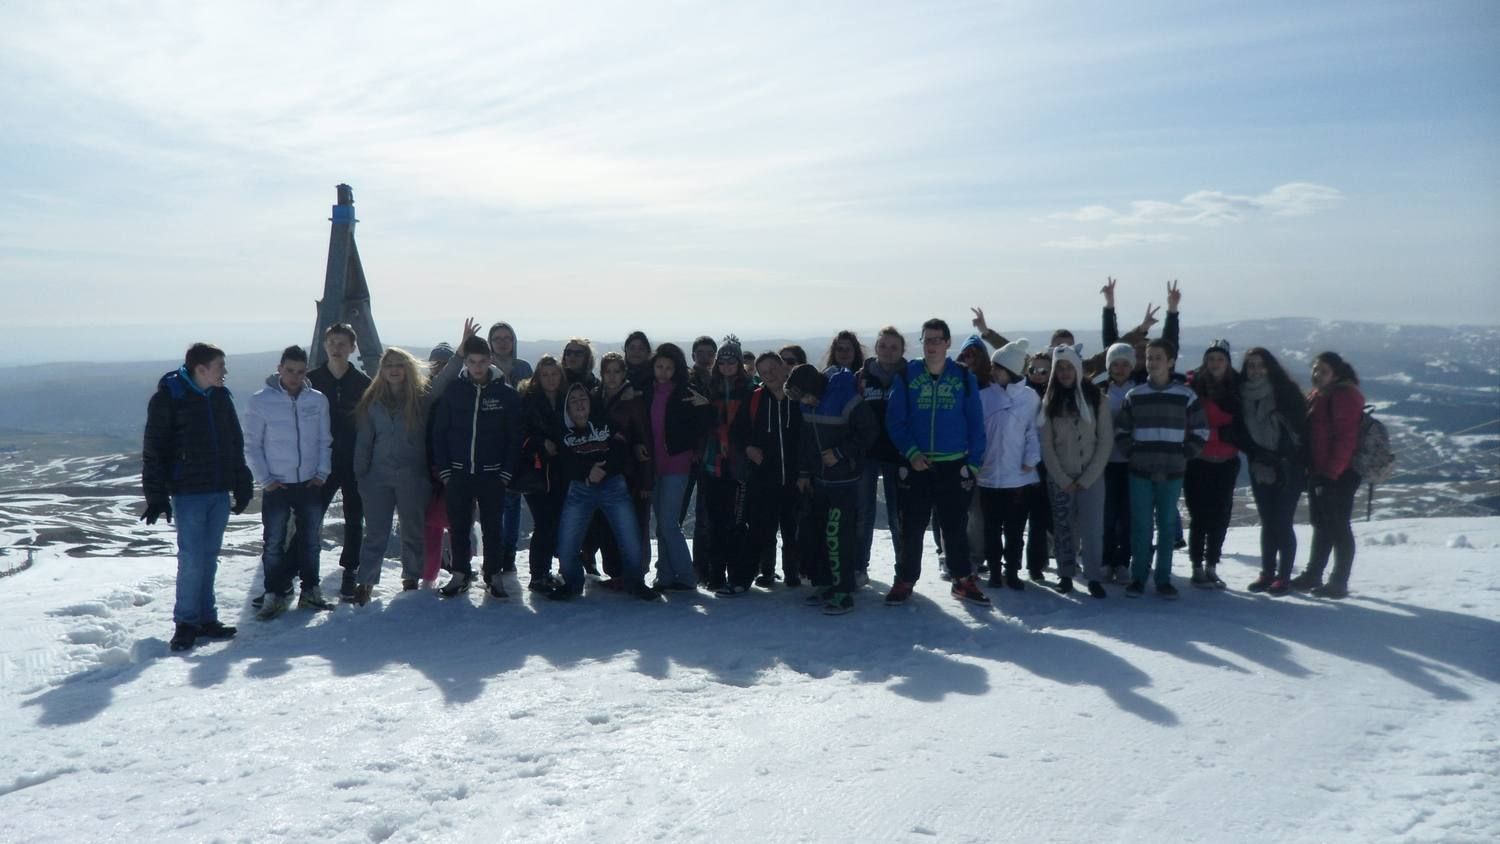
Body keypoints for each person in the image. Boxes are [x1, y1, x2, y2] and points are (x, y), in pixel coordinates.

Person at [141, 342, 253, 652]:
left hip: (218, 490)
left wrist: (241, 480)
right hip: (189, 493)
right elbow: (154, 450)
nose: (225, 372)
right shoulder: (169, 398)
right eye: (220, 367)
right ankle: (185, 623)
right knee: (191, 560)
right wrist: (156, 495)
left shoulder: (220, 397)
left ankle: (206, 619)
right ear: (200, 369)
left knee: (208, 558)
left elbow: (234, 441)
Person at [885, 318, 990, 606]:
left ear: (947, 343)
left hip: (953, 464)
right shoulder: (907, 375)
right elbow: (896, 421)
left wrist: (974, 464)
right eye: (926, 339)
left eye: (936, 340)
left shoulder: (963, 378)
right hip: (916, 464)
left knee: (955, 526)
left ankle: (962, 579)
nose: (931, 345)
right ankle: (905, 580)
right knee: (912, 527)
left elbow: (976, 424)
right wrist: (911, 453)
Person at [352, 335, 464, 604]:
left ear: (408, 369)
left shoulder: (421, 398)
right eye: (388, 364)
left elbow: (444, 379)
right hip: (377, 477)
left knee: (412, 530)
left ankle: (410, 578)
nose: (393, 369)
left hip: (413, 477)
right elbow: (365, 441)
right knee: (376, 533)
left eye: (399, 364)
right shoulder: (372, 402)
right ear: (382, 370)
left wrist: (460, 351)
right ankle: (365, 581)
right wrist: (361, 475)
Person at [545, 384, 661, 601]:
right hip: (580, 489)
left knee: (631, 541)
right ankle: (572, 583)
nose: (579, 403)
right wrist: (588, 472)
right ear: (567, 407)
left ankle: (635, 582)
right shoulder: (561, 429)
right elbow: (563, 462)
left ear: (591, 403)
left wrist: (603, 470)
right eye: (574, 400)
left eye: (583, 399)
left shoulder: (607, 423)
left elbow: (621, 451)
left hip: (613, 486)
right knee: (566, 544)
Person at [433, 334, 525, 599]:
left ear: (490, 361)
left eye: (482, 361)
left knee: (493, 527)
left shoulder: (504, 393)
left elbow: (514, 436)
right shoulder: (454, 390)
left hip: (492, 474)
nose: (477, 367)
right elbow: (440, 432)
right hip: (459, 472)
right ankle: (459, 574)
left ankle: (493, 575)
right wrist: (446, 470)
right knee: (459, 526)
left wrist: (506, 472)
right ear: (467, 362)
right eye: (472, 361)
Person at [1114, 338, 1207, 599]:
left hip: (1172, 471)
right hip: (1140, 471)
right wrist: (1132, 453)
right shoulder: (1136, 395)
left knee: (1167, 526)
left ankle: (1163, 579)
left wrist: (1184, 454)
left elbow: (1201, 429)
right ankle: (1139, 577)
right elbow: (1122, 430)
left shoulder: (1185, 396)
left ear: (1171, 362)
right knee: (1140, 526)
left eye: (1158, 357)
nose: (1152, 362)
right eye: (1149, 357)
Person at [246, 345, 334, 619]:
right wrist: (266, 479)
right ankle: (275, 593)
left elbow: (324, 439)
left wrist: (322, 472)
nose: (294, 377)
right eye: (289, 370)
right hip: (278, 484)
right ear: (279, 368)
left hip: (309, 482)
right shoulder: (261, 401)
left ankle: (311, 591)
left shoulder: (317, 400)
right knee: (273, 541)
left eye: (300, 371)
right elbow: (252, 445)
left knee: (310, 540)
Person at [781, 364, 877, 614]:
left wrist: (840, 453)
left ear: (814, 387)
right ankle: (824, 583)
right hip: (817, 480)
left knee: (838, 535)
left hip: (844, 480)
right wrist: (803, 472)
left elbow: (869, 432)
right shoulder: (807, 402)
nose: (803, 401)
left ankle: (843, 591)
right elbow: (805, 440)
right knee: (817, 534)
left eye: (804, 395)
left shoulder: (846, 398)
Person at [1037, 345, 1114, 599]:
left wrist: (1088, 478)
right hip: (1061, 478)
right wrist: (1061, 478)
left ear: (1078, 368)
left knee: (1092, 529)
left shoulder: (1096, 398)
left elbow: (1105, 441)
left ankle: (1093, 576)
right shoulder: (1049, 402)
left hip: (1091, 478)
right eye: (1060, 368)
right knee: (1063, 528)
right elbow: (1046, 445)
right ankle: (1066, 574)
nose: (1065, 372)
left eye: (1069, 367)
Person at [1289, 352, 1365, 599]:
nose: (1316, 375)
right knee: (1321, 524)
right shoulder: (1320, 395)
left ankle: (1338, 580)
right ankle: (1314, 574)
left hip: (1339, 474)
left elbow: (1346, 439)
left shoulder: (1344, 396)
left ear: (1336, 373)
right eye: (1315, 370)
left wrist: (1331, 472)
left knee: (1338, 525)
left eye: (1323, 371)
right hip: (1320, 471)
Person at [306, 323, 372, 600]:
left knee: (354, 519)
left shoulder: (363, 383)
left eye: (342, 343)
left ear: (352, 348)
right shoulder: (312, 381)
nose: (336, 348)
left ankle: (350, 571)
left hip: (353, 461)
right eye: (332, 342)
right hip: (321, 462)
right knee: (311, 519)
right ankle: (308, 575)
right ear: (325, 345)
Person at [728, 352, 803, 590]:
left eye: (773, 369)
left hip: (795, 478)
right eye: (763, 371)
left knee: (795, 530)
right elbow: (737, 433)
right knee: (759, 531)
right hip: (763, 478)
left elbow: (810, 436)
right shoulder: (755, 399)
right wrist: (749, 448)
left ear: (783, 368)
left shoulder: (799, 397)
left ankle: (794, 575)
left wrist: (806, 472)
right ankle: (745, 580)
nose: (769, 375)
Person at [1236, 347, 1308, 596]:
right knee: (1268, 520)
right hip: (1260, 464)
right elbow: (1241, 433)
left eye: (1259, 365)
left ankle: (1284, 576)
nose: (1255, 370)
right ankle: (1267, 572)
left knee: (1282, 520)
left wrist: (1286, 457)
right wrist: (1256, 454)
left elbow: (1301, 430)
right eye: (1250, 366)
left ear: (1270, 367)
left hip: (1289, 466)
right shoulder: (1242, 395)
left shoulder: (1285, 392)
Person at [647, 343, 712, 590]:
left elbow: (705, 424)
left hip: (677, 463)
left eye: (668, 367)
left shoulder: (685, 392)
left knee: (667, 523)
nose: (663, 372)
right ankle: (664, 574)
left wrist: (705, 406)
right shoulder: (647, 392)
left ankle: (686, 575)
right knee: (662, 523)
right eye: (659, 366)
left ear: (676, 369)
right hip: (652, 465)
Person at [588, 352, 655, 587]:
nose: (613, 376)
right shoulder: (596, 398)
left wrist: (646, 481)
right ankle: (616, 573)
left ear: (624, 373)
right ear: (602, 374)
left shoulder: (633, 402)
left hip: (631, 473)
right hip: (603, 472)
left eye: (617, 371)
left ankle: (636, 573)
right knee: (608, 525)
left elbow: (644, 440)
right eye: (608, 371)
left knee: (635, 524)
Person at [978, 340, 1041, 591]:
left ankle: (1012, 570)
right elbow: (978, 433)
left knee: (1015, 530)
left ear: (1012, 371)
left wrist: (1031, 459)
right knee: (991, 528)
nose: (994, 372)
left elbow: (1033, 431)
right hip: (989, 476)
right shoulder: (984, 396)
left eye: (999, 368)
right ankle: (994, 570)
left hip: (1019, 478)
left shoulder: (1029, 398)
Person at [1184, 340, 1241, 589]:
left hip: (1227, 462)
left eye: (1220, 359)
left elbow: (1243, 426)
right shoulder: (1193, 386)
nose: (1215, 363)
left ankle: (1212, 565)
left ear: (1227, 362)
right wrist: (1218, 434)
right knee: (1199, 515)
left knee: (1220, 515)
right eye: (1211, 359)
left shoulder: (1239, 388)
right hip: (1198, 460)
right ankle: (1197, 565)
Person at [698, 335, 752, 589]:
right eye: (723, 361)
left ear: (740, 363)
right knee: (715, 521)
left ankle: (737, 574)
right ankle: (716, 573)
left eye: (732, 361)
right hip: (712, 464)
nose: (727, 366)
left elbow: (747, 427)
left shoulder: (749, 390)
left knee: (736, 521)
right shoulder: (711, 389)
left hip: (737, 466)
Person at [855, 326, 907, 585]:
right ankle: (859, 567)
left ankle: (903, 569)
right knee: (863, 512)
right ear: (875, 348)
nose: (888, 351)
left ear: (902, 350)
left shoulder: (910, 377)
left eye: (894, 347)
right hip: (867, 453)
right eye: (883, 346)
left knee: (899, 514)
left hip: (899, 454)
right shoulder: (861, 378)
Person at [421, 343, 471, 584]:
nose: (440, 368)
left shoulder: (461, 393)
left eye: (444, 363)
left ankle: (460, 570)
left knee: (457, 525)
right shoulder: (423, 395)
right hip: (430, 469)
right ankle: (429, 574)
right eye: (436, 363)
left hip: (456, 468)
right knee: (433, 525)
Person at [518, 355, 569, 592]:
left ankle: (551, 569)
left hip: (562, 472)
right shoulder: (527, 401)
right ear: (537, 377)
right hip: (536, 473)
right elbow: (518, 435)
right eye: (545, 375)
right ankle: (538, 574)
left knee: (557, 521)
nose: (550, 379)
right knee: (544, 522)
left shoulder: (567, 400)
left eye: (554, 374)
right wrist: (540, 443)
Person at [488, 321, 533, 573]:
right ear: (490, 342)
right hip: (491, 444)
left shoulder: (523, 367)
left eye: (507, 337)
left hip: (519, 443)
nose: (503, 342)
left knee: (513, 501)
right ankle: (496, 553)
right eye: (497, 338)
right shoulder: (484, 368)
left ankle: (508, 556)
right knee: (493, 504)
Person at [1095, 342, 1139, 583]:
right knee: (1107, 514)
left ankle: (1123, 561)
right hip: (1105, 463)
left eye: (1125, 364)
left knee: (1127, 515)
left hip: (1132, 462)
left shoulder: (1139, 391)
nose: (1120, 368)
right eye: (1115, 364)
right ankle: (1105, 559)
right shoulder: (1099, 391)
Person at [1020, 347, 1055, 583]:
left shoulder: (1057, 395)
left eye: (1045, 370)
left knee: (1041, 517)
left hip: (1048, 463)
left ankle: (1036, 563)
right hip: (1020, 462)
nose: (1039, 374)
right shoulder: (1020, 394)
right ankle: (1011, 562)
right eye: (1034, 369)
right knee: (1017, 516)